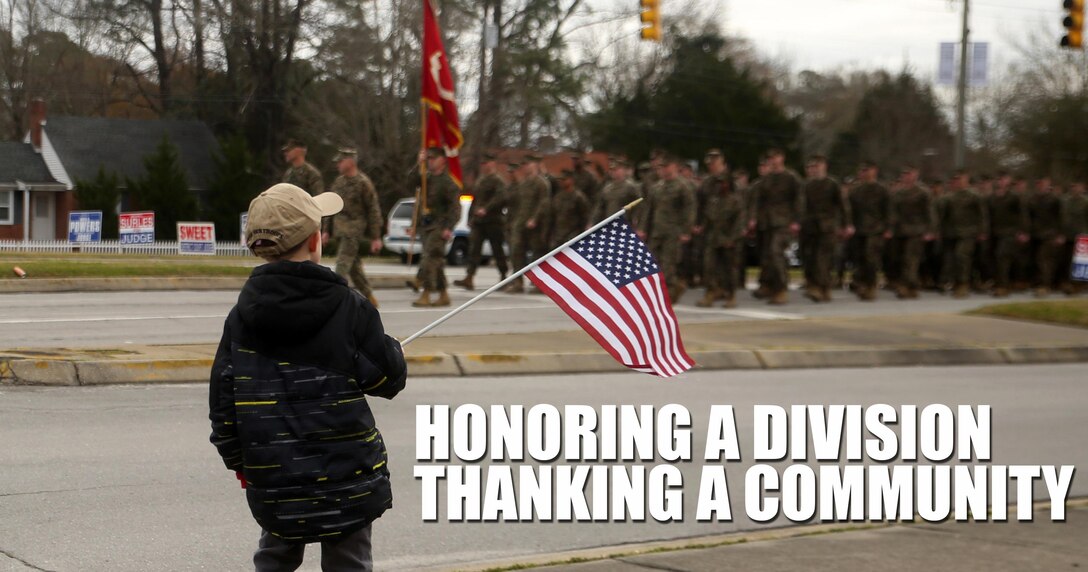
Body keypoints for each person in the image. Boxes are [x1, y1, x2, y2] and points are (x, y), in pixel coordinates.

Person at [210, 183, 407, 572]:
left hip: (274, 475)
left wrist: (242, 464)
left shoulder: (241, 317)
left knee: (275, 556)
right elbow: (388, 379)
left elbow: (223, 405)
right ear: (316, 239)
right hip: (347, 478)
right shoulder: (350, 308)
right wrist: (391, 349)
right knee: (348, 562)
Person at [325, 147, 384, 307]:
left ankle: (336, 301)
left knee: (342, 266)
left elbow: (373, 209)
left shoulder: (363, 183)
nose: (338, 164)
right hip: (340, 231)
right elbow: (330, 206)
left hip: (353, 231)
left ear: (350, 162)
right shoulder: (339, 182)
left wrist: (376, 237)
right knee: (354, 267)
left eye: (341, 161)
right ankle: (370, 297)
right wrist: (325, 231)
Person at [638, 154, 696, 303]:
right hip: (657, 232)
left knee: (668, 264)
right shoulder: (656, 187)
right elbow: (649, 209)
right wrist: (643, 228)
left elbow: (689, 209)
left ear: (675, 167)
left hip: (673, 233)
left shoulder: (683, 186)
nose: (663, 170)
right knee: (652, 262)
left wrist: (686, 231)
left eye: (666, 166)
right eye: (661, 167)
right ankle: (659, 292)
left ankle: (669, 294)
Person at [747, 148, 801, 305]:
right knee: (766, 255)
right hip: (766, 222)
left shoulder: (791, 178)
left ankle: (781, 289)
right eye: (770, 158)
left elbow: (799, 200)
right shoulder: (766, 179)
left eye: (775, 157)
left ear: (782, 158)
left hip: (784, 222)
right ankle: (768, 285)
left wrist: (797, 221)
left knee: (776, 252)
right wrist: (753, 218)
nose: (773, 160)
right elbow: (757, 200)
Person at [412, 147, 461, 307]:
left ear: (442, 161)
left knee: (428, 259)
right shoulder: (427, 179)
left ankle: (426, 292)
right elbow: (410, 181)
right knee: (437, 262)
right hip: (426, 226)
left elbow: (455, 208)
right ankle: (443, 294)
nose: (430, 161)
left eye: (433, 158)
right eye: (429, 158)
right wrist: (418, 164)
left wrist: (449, 227)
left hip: (439, 227)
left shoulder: (448, 183)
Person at [800, 155, 851, 303]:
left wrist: (846, 224)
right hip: (809, 227)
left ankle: (822, 288)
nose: (815, 169)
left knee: (823, 259)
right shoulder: (807, 185)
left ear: (824, 166)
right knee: (809, 258)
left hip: (828, 227)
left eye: (818, 165)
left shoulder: (832, 184)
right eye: (813, 166)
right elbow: (801, 206)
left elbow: (843, 205)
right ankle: (816, 287)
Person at [454, 153, 508, 291]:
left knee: (497, 250)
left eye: (487, 163)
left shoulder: (498, 181)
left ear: (493, 164)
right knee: (474, 249)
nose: (485, 166)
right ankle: (469, 277)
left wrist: (486, 209)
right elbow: (474, 199)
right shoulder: (481, 180)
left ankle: (503, 276)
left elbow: (500, 198)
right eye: (483, 163)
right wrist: (471, 218)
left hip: (493, 221)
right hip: (479, 222)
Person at [697, 166, 746, 308]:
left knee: (729, 269)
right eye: (717, 183)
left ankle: (731, 295)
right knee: (709, 267)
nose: (720, 186)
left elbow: (739, 222)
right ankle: (711, 292)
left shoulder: (735, 200)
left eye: (723, 183)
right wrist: (701, 227)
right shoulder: (713, 200)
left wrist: (732, 239)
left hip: (728, 239)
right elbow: (707, 218)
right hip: (713, 238)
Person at [938, 170, 988, 298]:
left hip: (969, 232)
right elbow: (944, 215)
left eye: (960, 179)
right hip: (952, 233)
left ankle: (963, 284)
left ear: (966, 179)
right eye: (956, 179)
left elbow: (982, 215)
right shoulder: (950, 197)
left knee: (962, 256)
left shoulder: (974, 196)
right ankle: (956, 282)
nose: (957, 181)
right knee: (952, 259)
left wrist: (982, 231)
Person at [503, 158, 551, 293]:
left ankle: (538, 282)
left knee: (537, 253)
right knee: (516, 251)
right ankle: (518, 282)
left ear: (534, 165)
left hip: (535, 225)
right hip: (520, 222)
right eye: (523, 165)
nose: (525, 167)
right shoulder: (523, 183)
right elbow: (518, 204)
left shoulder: (541, 183)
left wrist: (535, 219)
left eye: (527, 164)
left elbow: (544, 203)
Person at [888, 166, 935, 300]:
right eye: (904, 174)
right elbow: (892, 213)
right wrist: (890, 229)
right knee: (901, 259)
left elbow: (930, 213)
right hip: (900, 231)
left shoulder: (923, 192)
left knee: (911, 259)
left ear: (915, 175)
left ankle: (906, 286)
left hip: (916, 231)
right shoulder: (897, 193)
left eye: (909, 174)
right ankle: (912, 286)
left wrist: (930, 230)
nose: (906, 177)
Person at [848, 161, 892, 301]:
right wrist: (848, 225)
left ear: (874, 171)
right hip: (859, 229)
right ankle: (861, 284)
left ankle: (871, 286)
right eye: (862, 170)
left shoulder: (881, 189)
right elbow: (849, 210)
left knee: (871, 258)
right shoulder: (855, 190)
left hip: (876, 229)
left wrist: (888, 228)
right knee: (860, 259)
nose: (864, 173)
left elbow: (889, 210)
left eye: (867, 170)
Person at [987, 172, 1030, 297]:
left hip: (1010, 233)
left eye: (1003, 179)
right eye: (998, 179)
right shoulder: (992, 197)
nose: (1000, 182)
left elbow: (1023, 215)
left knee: (1002, 256)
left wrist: (1024, 231)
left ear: (1008, 181)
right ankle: (1004, 283)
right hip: (995, 232)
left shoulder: (1014, 197)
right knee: (996, 259)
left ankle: (1003, 287)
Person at [1029, 178, 1065, 297]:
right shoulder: (1033, 199)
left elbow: (1061, 218)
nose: (1041, 186)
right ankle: (1040, 283)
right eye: (1039, 184)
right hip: (1036, 234)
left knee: (1044, 259)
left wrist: (1060, 234)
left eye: (1044, 184)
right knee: (1037, 260)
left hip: (1050, 234)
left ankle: (1045, 285)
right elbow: (1029, 216)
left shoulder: (1054, 200)